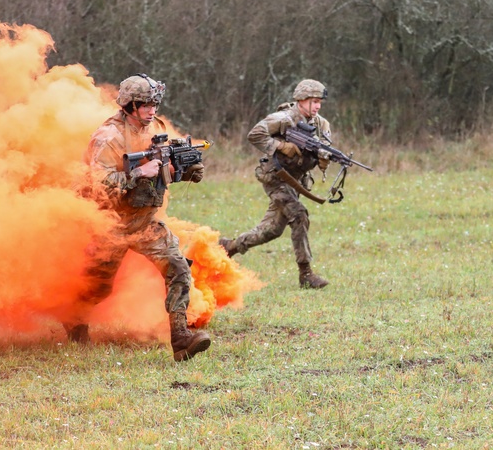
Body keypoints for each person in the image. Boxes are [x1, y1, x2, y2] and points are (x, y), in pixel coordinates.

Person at [67, 73, 211, 362]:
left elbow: (161, 167)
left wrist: (184, 172)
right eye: (145, 105)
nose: (151, 110)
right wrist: (136, 173)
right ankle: (74, 322)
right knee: (97, 287)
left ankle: (181, 338)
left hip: (145, 221)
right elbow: (96, 181)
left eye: (154, 104)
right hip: (112, 223)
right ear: (130, 105)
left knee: (178, 268)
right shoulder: (108, 137)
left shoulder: (153, 128)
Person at [220, 79, 333, 289]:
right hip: (276, 178)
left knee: (271, 230)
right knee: (299, 216)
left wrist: (324, 159)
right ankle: (306, 274)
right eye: (314, 101)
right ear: (301, 100)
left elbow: (324, 148)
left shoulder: (321, 124)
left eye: (320, 102)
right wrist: (280, 146)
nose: (317, 106)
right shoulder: (282, 119)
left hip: (296, 182)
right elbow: (254, 134)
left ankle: (230, 246)